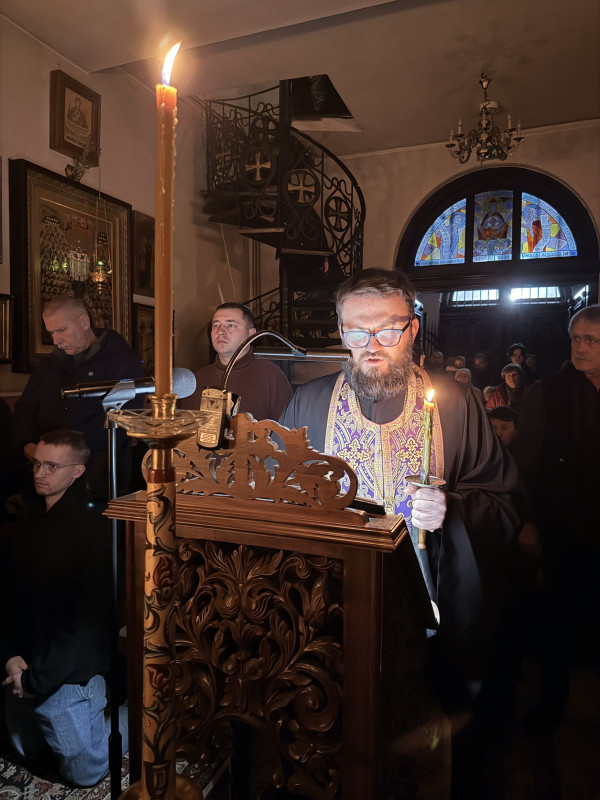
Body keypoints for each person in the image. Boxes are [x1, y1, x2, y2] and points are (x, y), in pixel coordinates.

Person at [280, 269, 523, 697]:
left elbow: (503, 497)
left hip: (428, 601)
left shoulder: (457, 404)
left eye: (388, 330)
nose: (372, 345)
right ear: (341, 332)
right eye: (358, 332)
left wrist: (452, 508)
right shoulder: (308, 401)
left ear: (412, 329)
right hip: (331, 600)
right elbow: (275, 497)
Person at [0, 429, 127, 786]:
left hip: (68, 671)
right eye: (37, 464)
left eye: (52, 466)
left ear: (77, 471)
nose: (40, 473)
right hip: (23, 664)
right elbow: (5, 600)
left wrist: (36, 680)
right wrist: (9, 657)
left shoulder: (95, 529)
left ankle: (137, 714)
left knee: (85, 774)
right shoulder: (26, 524)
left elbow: (85, 626)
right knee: (27, 752)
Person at [510, 305, 600, 728]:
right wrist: (526, 519)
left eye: (591, 340)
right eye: (575, 338)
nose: (579, 347)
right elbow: (524, 462)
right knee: (558, 620)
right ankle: (550, 708)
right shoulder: (547, 392)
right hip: (564, 525)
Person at [14, 296, 142, 497]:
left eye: (61, 330)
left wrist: (61, 452)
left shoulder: (122, 362)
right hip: (40, 472)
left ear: (83, 322)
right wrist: (27, 445)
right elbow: (24, 408)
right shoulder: (49, 364)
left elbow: (124, 418)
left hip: (97, 476)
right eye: (51, 333)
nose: (55, 341)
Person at [182, 302, 293, 421]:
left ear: (251, 334)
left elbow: (289, 428)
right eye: (216, 325)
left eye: (231, 325)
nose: (220, 331)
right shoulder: (197, 379)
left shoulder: (271, 377)